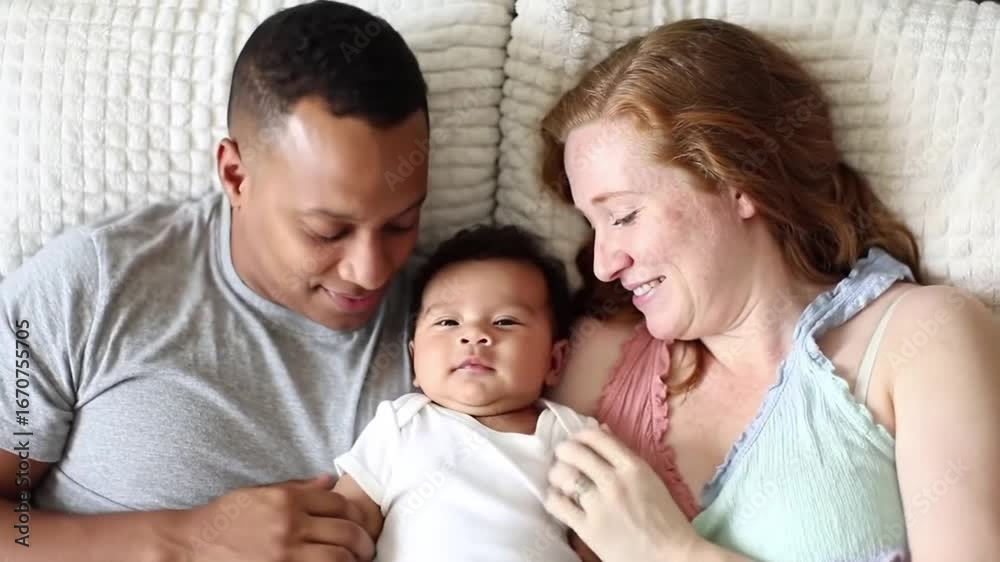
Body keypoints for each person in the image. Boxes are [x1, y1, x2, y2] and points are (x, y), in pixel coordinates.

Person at [538, 18, 1000, 562]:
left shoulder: (921, 339)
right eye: (593, 224)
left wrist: (671, 552)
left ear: (738, 183)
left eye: (623, 215)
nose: (603, 265)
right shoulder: (596, 359)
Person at [0, 2, 429, 561]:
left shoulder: (455, 324)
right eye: (327, 231)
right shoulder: (90, 287)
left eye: (401, 224)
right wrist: (184, 541)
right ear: (236, 175)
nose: (370, 271)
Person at [332, 224, 600, 562]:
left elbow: (600, 540)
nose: (473, 335)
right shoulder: (400, 425)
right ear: (414, 358)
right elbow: (349, 518)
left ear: (554, 360)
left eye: (505, 321)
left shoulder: (574, 436)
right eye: (448, 322)